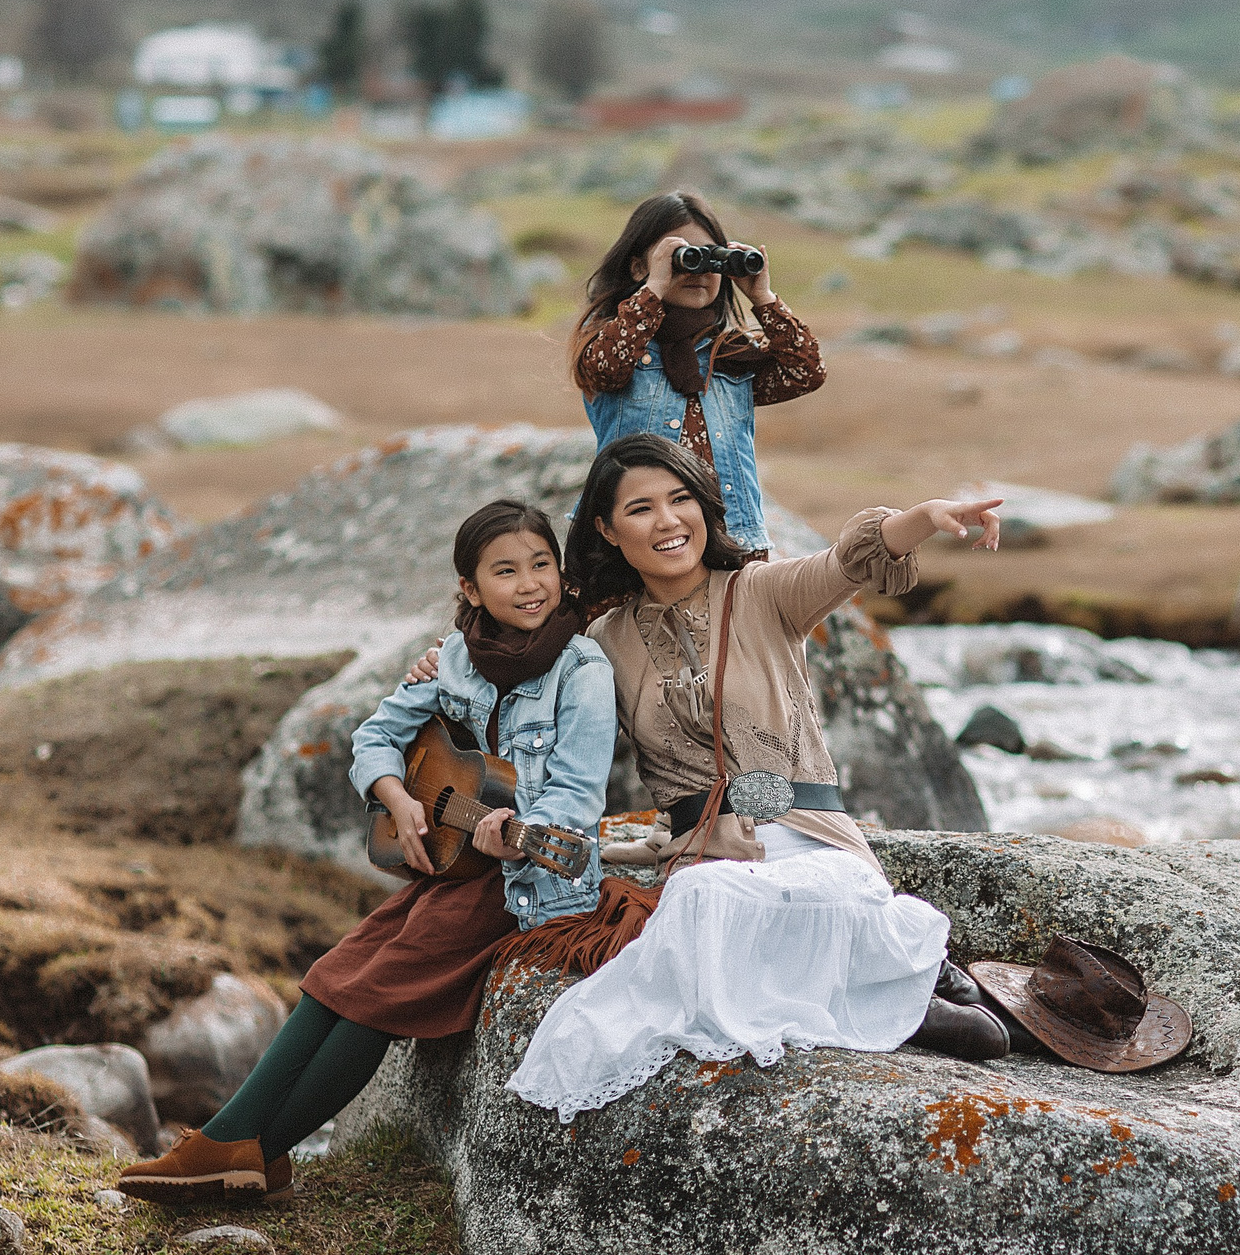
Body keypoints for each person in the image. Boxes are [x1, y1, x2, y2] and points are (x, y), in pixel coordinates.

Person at [406, 434, 1025, 1121]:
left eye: (681, 499)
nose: (669, 521)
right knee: (700, 896)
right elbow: (517, 653)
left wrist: (920, 517)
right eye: (642, 508)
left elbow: (848, 560)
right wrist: (446, 661)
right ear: (608, 530)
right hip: (704, 856)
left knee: (805, 894)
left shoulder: (763, 591)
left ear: (703, 507)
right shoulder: (601, 641)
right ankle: (894, 985)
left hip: (804, 833)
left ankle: (898, 971)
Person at [117, 499, 615, 1205]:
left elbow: (574, 799)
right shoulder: (453, 658)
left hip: (527, 883)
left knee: (372, 994)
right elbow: (374, 737)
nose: (530, 582)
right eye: (506, 570)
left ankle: (246, 1150)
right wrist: (399, 797)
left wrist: (514, 831)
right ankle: (239, 1147)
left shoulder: (582, 667)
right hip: (457, 871)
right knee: (334, 974)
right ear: (471, 589)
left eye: (542, 565)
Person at [571, 190, 824, 554]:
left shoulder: (729, 356)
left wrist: (763, 298)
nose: (700, 271)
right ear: (639, 266)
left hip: (730, 541)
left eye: (711, 258)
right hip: (639, 549)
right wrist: (654, 288)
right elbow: (607, 368)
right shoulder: (615, 342)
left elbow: (807, 371)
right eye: (682, 257)